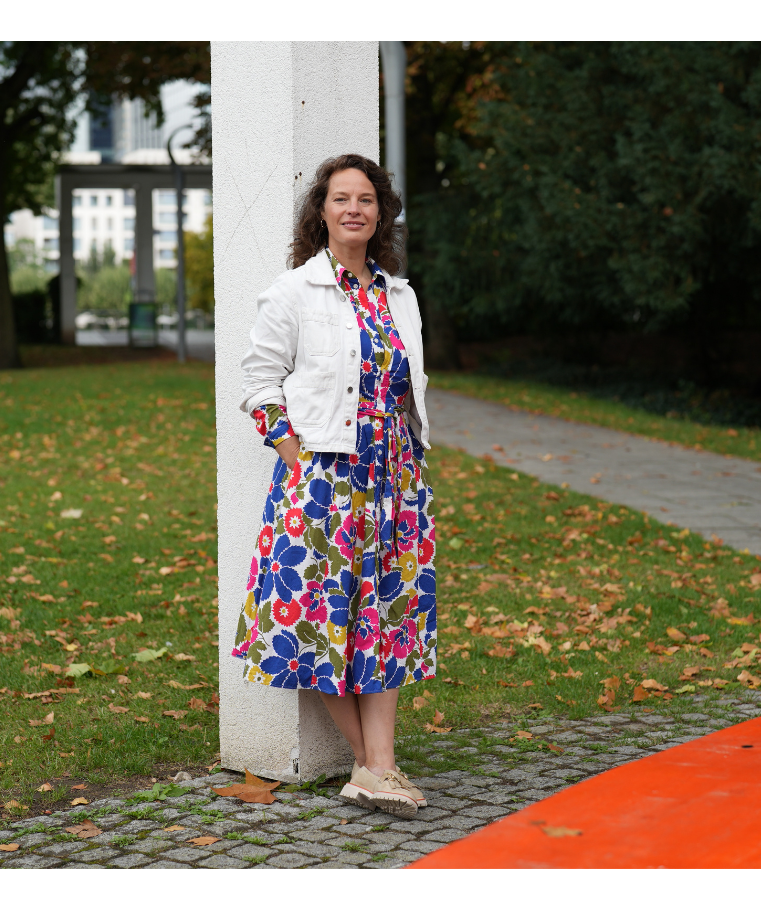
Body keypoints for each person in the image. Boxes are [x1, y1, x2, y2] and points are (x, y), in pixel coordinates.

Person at [232, 153, 436, 819]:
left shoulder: (399, 296)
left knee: (386, 618)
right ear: (320, 212)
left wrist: (411, 462)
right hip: (322, 480)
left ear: (381, 214)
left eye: (366, 199)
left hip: (393, 479)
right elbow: (258, 384)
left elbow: (407, 389)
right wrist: (294, 460)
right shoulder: (293, 291)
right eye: (341, 198)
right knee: (318, 622)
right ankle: (374, 765)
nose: (354, 209)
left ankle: (377, 767)